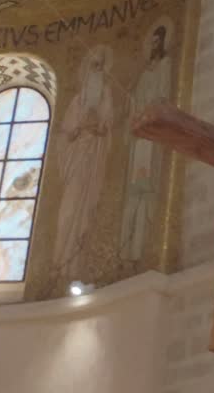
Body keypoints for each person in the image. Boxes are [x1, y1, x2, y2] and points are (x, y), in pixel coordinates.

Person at [52, 45, 115, 277]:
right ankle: (59, 261)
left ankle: (75, 265)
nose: (96, 71)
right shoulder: (76, 102)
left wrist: (98, 126)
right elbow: (65, 134)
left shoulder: (106, 96)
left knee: (86, 210)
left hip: (93, 160)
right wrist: (77, 130)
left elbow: (107, 127)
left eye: (100, 66)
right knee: (68, 209)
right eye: (93, 66)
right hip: (76, 158)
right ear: (86, 71)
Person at [119, 25, 173, 263]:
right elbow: (136, 100)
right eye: (150, 42)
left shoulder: (165, 65)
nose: (152, 46)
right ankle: (127, 250)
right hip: (140, 137)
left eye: (156, 42)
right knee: (134, 192)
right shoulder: (144, 72)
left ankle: (139, 251)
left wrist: (148, 111)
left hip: (152, 134)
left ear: (162, 43)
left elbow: (163, 97)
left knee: (145, 191)